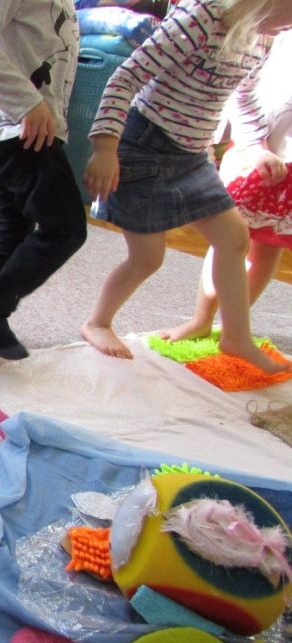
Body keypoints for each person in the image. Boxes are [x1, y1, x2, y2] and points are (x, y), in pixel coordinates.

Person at [80, 0, 291, 373]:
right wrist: (105, 148)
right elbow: (126, 77)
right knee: (147, 258)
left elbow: (242, 95)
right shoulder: (204, 16)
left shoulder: (262, 35)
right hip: (144, 145)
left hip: (192, 154)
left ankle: (236, 337)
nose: (288, 28)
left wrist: (257, 145)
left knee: (234, 238)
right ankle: (97, 322)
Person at [0, 0, 88, 360]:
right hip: (22, 132)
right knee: (66, 229)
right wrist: (27, 102)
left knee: (10, 229)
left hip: (21, 128)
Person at [161, 31, 291, 343]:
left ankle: (233, 325)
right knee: (229, 239)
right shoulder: (276, 34)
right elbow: (242, 93)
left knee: (268, 248)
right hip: (258, 154)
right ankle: (201, 319)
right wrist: (256, 146)